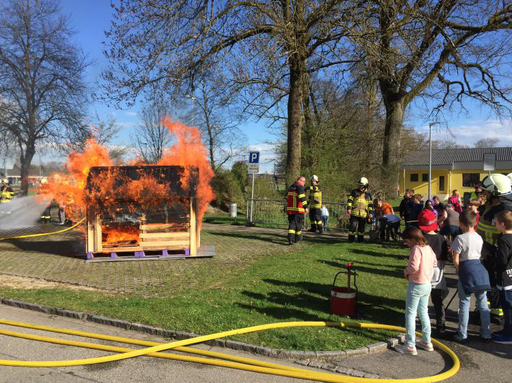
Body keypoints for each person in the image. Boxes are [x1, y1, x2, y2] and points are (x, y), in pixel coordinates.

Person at [394, 226, 437, 355]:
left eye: (407, 241)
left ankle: (410, 345)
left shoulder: (416, 249)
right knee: (423, 312)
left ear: (413, 239)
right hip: (427, 284)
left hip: (416, 284)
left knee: (410, 314)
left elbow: (413, 266)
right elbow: (435, 262)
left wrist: (406, 272)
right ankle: (426, 341)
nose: (407, 244)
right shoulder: (428, 248)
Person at [451, 210, 491, 342]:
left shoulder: (460, 238)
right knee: (483, 303)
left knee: (464, 303)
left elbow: (455, 258)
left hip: (466, 270)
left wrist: (458, 270)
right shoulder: (479, 237)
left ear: (461, 224)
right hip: (480, 270)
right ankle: (486, 332)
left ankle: (462, 334)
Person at [478, 173, 512, 319]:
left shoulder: (504, 209)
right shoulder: (496, 205)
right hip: (488, 250)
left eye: (487, 191)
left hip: (494, 253)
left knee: (494, 285)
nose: (484, 194)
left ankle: (497, 314)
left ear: (495, 192)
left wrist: (489, 251)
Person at [418, 209, 449, 336]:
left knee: (422, 301)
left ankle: (423, 325)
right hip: (437, 271)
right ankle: (441, 325)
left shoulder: (421, 239)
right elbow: (444, 258)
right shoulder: (442, 239)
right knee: (438, 301)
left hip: (424, 272)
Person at [489, 210, 512, 344]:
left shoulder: (503, 240)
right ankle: (507, 330)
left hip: (505, 279)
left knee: (508, 308)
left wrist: (490, 257)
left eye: (496, 223)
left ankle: (509, 334)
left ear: (502, 224)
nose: (494, 225)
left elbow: (502, 260)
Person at [347, 177, 373, 243]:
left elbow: (370, 205)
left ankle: (360, 240)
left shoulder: (368, 194)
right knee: (352, 227)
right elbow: (350, 200)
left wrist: (370, 213)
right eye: (359, 185)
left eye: (361, 185)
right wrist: (349, 208)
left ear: (365, 185)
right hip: (354, 213)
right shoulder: (354, 192)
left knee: (361, 228)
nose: (360, 186)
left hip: (363, 214)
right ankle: (351, 240)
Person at [286, 176, 309, 245]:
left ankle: (290, 239)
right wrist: (306, 207)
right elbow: (302, 198)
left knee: (292, 225)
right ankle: (297, 238)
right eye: (303, 181)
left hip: (290, 210)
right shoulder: (299, 187)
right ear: (300, 180)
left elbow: (286, 197)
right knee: (298, 225)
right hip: (298, 210)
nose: (304, 183)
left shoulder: (290, 187)